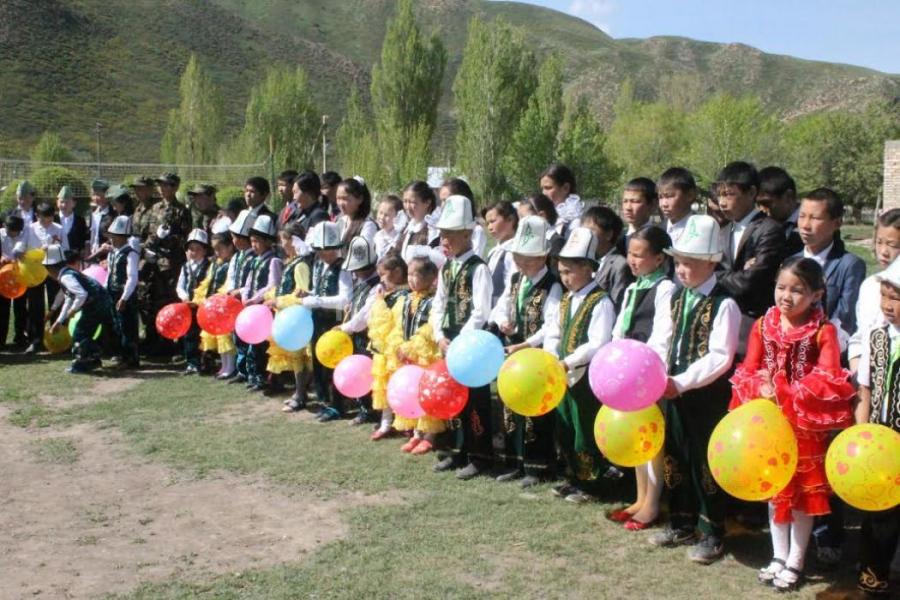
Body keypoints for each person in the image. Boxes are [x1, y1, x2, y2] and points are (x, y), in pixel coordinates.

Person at [730, 258, 854, 591]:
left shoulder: (823, 330)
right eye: (781, 287)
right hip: (769, 422)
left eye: (797, 290)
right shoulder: (763, 325)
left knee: (801, 495)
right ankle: (778, 555)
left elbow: (828, 375)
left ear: (816, 295)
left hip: (804, 425)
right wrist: (761, 387)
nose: (786, 296)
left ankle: (796, 560)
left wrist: (787, 391)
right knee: (774, 487)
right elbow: (748, 367)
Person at [651, 215, 741, 564]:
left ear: (711, 264)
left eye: (689, 263)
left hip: (706, 395)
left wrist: (682, 381)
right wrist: (657, 372)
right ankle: (680, 521)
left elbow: (721, 356)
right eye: (678, 262)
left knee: (707, 460)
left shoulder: (724, 304)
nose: (682, 270)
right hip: (672, 388)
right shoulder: (677, 297)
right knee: (675, 454)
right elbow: (662, 338)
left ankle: (712, 530)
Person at [607, 226, 674, 530]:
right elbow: (619, 329)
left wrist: (644, 368)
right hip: (628, 373)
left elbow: (662, 335)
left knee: (652, 439)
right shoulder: (633, 289)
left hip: (648, 373)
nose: (632, 260)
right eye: (630, 254)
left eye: (639, 255)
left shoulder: (665, 289)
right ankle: (640, 496)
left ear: (659, 258)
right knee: (636, 435)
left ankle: (653, 502)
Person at [544, 227, 615, 503]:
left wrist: (569, 361)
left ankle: (591, 482)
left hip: (585, 376)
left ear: (587, 268)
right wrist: (552, 355)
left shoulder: (600, 301)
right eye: (561, 272)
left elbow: (598, 342)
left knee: (584, 427)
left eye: (570, 272)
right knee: (565, 426)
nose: (564, 278)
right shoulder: (566, 300)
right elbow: (554, 332)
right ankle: (572, 475)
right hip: (562, 374)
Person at [491, 216, 562, 487]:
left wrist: (526, 344)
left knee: (535, 411)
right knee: (511, 407)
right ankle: (514, 460)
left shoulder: (552, 285)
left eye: (529, 259)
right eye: (519, 258)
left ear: (544, 257)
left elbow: (551, 325)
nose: (522, 264)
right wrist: (502, 321)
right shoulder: (515, 279)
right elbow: (501, 306)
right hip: (513, 352)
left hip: (535, 355)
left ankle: (537, 465)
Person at [430, 194, 494, 480]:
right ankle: (457, 450)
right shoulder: (448, 267)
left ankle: (480, 455)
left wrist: (461, 339)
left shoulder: (478, 268)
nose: (445, 239)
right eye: (443, 234)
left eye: (452, 234)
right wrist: (438, 334)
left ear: (467, 234)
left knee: (475, 401)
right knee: (453, 397)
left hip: (470, 345)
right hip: (449, 341)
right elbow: (439, 304)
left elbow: (481, 311)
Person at [854, 258, 900, 597]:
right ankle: (873, 575)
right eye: (884, 295)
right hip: (880, 439)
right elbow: (865, 389)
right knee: (878, 511)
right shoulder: (877, 335)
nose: (887, 304)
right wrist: (861, 433)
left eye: (895, 298)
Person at [715, 161, 784, 353]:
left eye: (729, 194)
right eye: (720, 195)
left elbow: (752, 281)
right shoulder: (723, 231)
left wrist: (716, 277)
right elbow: (710, 271)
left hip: (753, 323)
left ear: (752, 192)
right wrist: (731, 274)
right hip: (723, 322)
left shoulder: (769, 229)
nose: (722, 202)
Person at [792, 187, 866, 344]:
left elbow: (845, 317)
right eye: (802, 216)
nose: (805, 225)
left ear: (837, 223)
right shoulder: (790, 262)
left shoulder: (850, 265)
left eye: (815, 218)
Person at [389, 255, 444, 454]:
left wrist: (413, 348)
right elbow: (398, 325)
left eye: (416, 275)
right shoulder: (405, 299)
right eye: (409, 274)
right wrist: (399, 346)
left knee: (427, 392)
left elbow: (430, 328)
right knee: (412, 391)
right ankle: (416, 433)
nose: (411, 279)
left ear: (431, 277)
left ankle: (429, 435)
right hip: (407, 354)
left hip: (425, 354)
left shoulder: (434, 301)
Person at [43, 244, 124, 374]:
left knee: (79, 333)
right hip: (99, 303)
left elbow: (81, 294)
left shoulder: (66, 277)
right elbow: (69, 299)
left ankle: (82, 363)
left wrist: (73, 310)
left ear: (50, 268)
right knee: (86, 332)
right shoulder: (68, 273)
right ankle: (93, 359)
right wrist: (59, 321)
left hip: (96, 305)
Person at [301, 222, 352, 421]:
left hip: (334, 322)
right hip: (318, 321)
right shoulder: (319, 265)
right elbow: (319, 290)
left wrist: (317, 301)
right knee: (319, 362)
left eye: (327, 250)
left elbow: (345, 299)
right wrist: (309, 294)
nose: (323, 254)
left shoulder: (343, 268)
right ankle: (325, 400)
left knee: (335, 364)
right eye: (320, 250)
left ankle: (338, 404)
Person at [265, 226, 313, 410]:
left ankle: (301, 395)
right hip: (289, 317)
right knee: (295, 356)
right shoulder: (292, 262)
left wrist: (279, 301)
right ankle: (299, 392)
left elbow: (302, 293)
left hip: (298, 318)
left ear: (293, 240)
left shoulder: (300, 264)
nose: (281, 244)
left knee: (300, 357)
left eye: (284, 240)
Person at [144, 172, 192, 356]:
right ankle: (158, 342)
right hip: (155, 263)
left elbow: (185, 238)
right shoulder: (155, 208)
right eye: (160, 185)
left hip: (173, 264)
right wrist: (151, 245)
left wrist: (168, 237)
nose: (162, 189)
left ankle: (176, 344)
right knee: (155, 303)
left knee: (173, 303)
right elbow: (148, 233)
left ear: (175, 187)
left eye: (166, 185)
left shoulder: (182, 211)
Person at [336, 235, 381, 424]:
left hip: (367, 336)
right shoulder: (360, 284)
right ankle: (363, 407)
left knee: (368, 373)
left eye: (358, 269)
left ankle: (372, 410)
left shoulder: (377, 286)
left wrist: (345, 327)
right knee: (359, 372)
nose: (355, 272)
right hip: (356, 335)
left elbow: (364, 316)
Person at [849, 209, 900, 372]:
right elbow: (860, 336)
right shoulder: (869, 286)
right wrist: (857, 373)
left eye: (892, 245)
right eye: (879, 242)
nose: (883, 252)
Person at [367, 251, 409, 439]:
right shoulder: (385, 294)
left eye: (383, 274)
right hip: (383, 347)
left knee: (401, 384)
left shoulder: (406, 294)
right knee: (384, 384)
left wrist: (381, 302)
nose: (381, 279)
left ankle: (406, 422)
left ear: (397, 272)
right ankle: (385, 423)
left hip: (398, 345)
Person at [241, 215, 282, 391]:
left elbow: (272, 285)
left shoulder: (273, 261)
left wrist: (255, 298)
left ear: (267, 241)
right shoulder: (254, 261)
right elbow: (249, 282)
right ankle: (253, 374)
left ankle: (265, 377)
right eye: (252, 241)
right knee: (252, 343)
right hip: (252, 309)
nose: (254, 245)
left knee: (263, 344)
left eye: (257, 241)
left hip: (264, 309)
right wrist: (245, 296)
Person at [22, 202, 67, 354]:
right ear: (37, 216)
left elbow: (66, 248)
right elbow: (23, 246)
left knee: (56, 303)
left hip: (53, 270)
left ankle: (58, 338)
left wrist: (52, 248)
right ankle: (36, 341)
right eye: (43, 220)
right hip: (35, 271)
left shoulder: (59, 229)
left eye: (50, 219)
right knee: (35, 305)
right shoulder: (29, 229)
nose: (47, 223)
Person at [195, 222, 237, 380]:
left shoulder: (232, 263)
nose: (217, 252)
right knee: (219, 336)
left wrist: (220, 298)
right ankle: (224, 365)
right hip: (214, 305)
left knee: (226, 337)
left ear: (230, 247)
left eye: (220, 248)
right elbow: (209, 282)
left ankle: (230, 366)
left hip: (224, 304)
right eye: (215, 249)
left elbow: (229, 283)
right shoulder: (215, 264)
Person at [105, 216, 140, 368]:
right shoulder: (112, 253)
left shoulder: (130, 253)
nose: (112, 239)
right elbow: (109, 273)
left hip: (124, 294)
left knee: (127, 326)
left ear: (123, 237)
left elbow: (132, 277)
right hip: (112, 292)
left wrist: (124, 297)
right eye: (111, 236)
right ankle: (120, 354)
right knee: (117, 325)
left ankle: (131, 357)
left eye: (115, 236)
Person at [582, 206, 633, 310]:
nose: (586, 236)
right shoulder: (585, 261)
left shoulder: (620, 265)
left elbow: (617, 305)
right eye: (583, 231)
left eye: (591, 231)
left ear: (609, 234)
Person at [226, 210, 256, 384]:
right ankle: (241, 369)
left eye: (235, 237)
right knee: (237, 336)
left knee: (248, 336)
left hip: (247, 301)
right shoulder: (237, 257)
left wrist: (240, 291)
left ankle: (250, 371)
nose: (233, 241)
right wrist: (231, 290)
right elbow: (231, 276)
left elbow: (252, 281)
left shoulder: (254, 257)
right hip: (235, 302)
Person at [176, 229, 211, 375]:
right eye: (191, 249)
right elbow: (180, 285)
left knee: (203, 334)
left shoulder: (209, 266)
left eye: (198, 249)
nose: (194, 252)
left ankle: (205, 362)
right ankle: (191, 362)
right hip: (189, 306)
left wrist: (201, 301)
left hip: (203, 306)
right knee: (189, 334)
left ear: (205, 251)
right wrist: (185, 298)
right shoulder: (185, 266)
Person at [756, 166, 802, 255]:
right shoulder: (758, 227)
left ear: (788, 197)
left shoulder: (810, 225)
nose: (762, 210)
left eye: (766, 203)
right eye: (758, 204)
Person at [439, 178, 487, 258]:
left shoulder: (476, 230)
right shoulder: (442, 227)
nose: (442, 205)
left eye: (446, 200)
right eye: (441, 201)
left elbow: (473, 259)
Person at [483, 201, 518, 305]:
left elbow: (512, 288)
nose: (489, 227)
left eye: (493, 221)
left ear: (510, 219)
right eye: (487, 223)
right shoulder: (493, 252)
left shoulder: (513, 252)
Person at [396, 180, 441, 263]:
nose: (407, 207)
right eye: (405, 201)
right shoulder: (406, 229)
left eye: (412, 202)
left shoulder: (433, 230)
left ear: (427, 202)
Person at [0, 216, 26, 349]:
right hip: (3, 276)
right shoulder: (0, 234)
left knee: (21, 308)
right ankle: (1, 340)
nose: (13, 234)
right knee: (2, 309)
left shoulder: (24, 235)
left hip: (20, 276)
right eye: (10, 232)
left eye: (16, 232)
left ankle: (20, 337)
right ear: (5, 227)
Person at [539, 164, 583, 240]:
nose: (543, 193)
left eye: (548, 188)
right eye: (542, 189)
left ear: (566, 188)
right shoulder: (543, 214)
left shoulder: (577, 217)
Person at [657, 167, 697, 246]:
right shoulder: (656, 232)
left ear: (690, 195)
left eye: (669, 196)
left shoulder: (700, 229)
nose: (664, 204)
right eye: (660, 197)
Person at [336, 176, 377, 252]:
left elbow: (363, 252)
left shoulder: (368, 225)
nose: (340, 203)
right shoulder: (340, 221)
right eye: (338, 198)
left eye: (345, 199)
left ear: (360, 199)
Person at [620, 177, 658, 248]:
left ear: (653, 205)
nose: (628, 208)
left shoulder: (659, 239)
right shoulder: (617, 239)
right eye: (625, 201)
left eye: (635, 201)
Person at [290, 170, 329, 235]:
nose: (294, 197)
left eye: (295, 192)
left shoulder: (319, 216)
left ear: (307, 193)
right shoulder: (299, 213)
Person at [55, 186, 88, 262]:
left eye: (67, 202)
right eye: (61, 202)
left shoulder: (80, 220)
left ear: (74, 203)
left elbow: (84, 239)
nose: (64, 205)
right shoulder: (53, 219)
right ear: (57, 203)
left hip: (75, 259)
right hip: (56, 258)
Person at [373, 194, 403, 259]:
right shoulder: (378, 235)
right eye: (380, 213)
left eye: (386, 215)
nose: (382, 217)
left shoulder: (399, 237)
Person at [88, 178, 113, 257]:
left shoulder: (112, 214)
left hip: (106, 255)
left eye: (98, 195)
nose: (95, 198)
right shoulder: (93, 213)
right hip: (93, 253)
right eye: (94, 195)